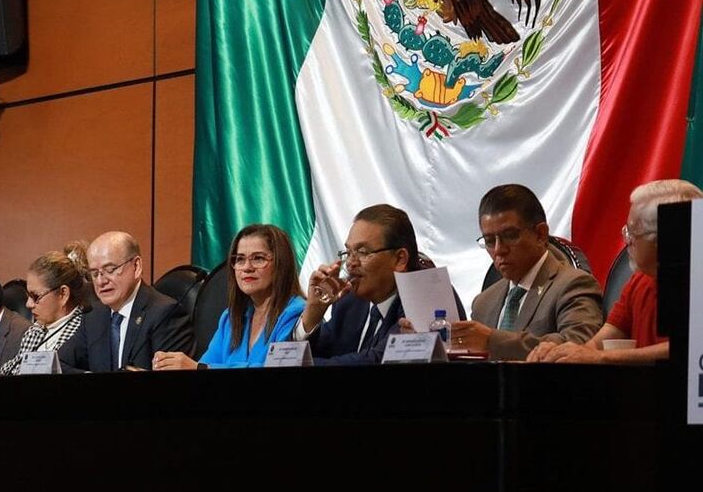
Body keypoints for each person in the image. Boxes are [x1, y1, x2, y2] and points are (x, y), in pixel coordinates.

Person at [529, 179, 703, 363]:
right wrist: (562, 353)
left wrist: (602, 357)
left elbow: (692, 348)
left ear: (663, 240)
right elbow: (598, 344)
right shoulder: (639, 281)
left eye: (633, 232)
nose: (626, 240)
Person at [297, 204, 465, 365]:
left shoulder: (427, 294)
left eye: (363, 252)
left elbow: (379, 360)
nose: (350, 263)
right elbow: (310, 354)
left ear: (400, 259)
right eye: (348, 252)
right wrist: (313, 312)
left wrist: (300, 367)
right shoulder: (349, 302)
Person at [459, 184, 603, 360]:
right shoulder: (483, 303)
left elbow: (578, 345)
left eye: (510, 235)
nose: (498, 250)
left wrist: (492, 340)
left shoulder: (574, 285)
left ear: (541, 234)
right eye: (489, 241)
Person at [153, 224, 304, 370]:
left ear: (280, 264)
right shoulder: (230, 318)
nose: (247, 268)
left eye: (258, 258)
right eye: (239, 259)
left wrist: (199, 368)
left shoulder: (295, 312)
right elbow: (206, 364)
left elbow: (278, 369)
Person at [59, 231, 193, 372]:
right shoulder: (94, 315)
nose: (100, 281)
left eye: (110, 270)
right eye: (94, 273)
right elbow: (59, 364)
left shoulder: (165, 314)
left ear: (136, 266)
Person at [0, 251, 89, 375]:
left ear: (63, 294)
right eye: (28, 295)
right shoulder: (34, 331)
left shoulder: (85, 330)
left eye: (35, 296)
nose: (28, 304)